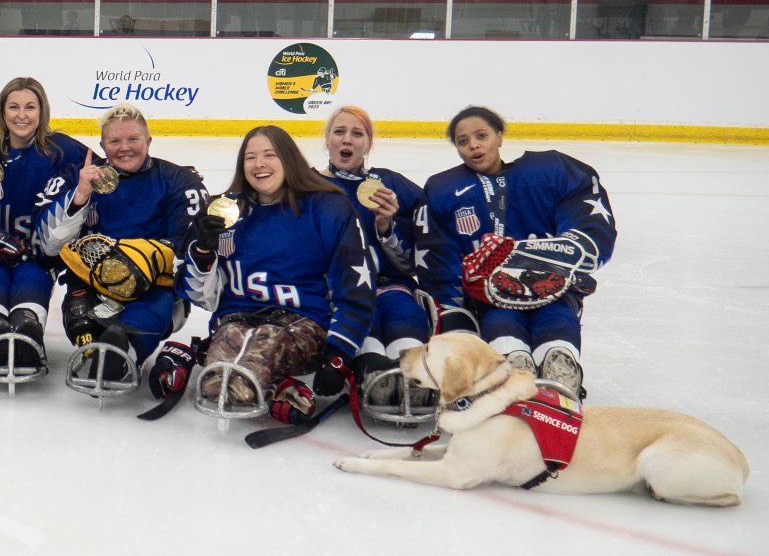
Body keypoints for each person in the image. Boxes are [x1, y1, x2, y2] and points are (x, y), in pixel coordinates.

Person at [182, 126, 376, 425]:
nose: (259, 164)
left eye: (269, 155)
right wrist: (203, 253)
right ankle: (280, 391)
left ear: (288, 159)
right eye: (250, 157)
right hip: (237, 318)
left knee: (262, 346)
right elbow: (201, 297)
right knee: (215, 381)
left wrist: (339, 353)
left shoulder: (327, 207)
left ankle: (267, 385)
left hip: (303, 323)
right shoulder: (225, 211)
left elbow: (355, 283)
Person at [416, 105, 616, 395]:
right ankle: (512, 365)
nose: (473, 145)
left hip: (552, 286)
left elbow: (588, 225)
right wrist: (456, 315)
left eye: (481, 135)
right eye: (463, 141)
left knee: (557, 314)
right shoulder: (443, 189)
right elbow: (438, 257)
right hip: (491, 298)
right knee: (501, 318)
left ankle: (558, 364)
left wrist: (565, 256)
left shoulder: (551, 172)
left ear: (499, 136)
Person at [39, 105, 206, 395]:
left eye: (133, 139)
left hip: (155, 286)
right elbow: (50, 244)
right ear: (102, 145)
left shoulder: (178, 180)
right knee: (82, 323)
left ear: (149, 141)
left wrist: (139, 260)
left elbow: (189, 249)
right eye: (115, 142)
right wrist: (80, 196)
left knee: (143, 320)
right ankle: (100, 349)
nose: (124, 148)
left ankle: (125, 348)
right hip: (92, 280)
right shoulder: (82, 179)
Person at [0, 77, 85, 376]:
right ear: (2, 112)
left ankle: (29, 330)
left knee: (31, 274)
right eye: (13, 107)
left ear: (42, 112)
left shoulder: (63, 150)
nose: (21, 115)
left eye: (30, 107)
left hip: (38, 257)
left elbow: (101, 176)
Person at [319, 105, 433, 414]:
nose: (348, 140)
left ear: (368, 144)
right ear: (326, 139)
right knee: (362, 322)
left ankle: (415, 375)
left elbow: (420, 244)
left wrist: (387, 227)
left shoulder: (389, 184)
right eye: (339, 132)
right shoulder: (310, 186)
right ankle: (373, 370)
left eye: (358, 134)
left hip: (391, 285)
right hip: (342, 293)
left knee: (402, 314)